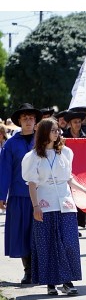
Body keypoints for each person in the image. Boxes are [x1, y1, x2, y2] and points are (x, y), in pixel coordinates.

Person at [21, 117, 86, 295]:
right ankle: (51, 283)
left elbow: (69, 178)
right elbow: (32, 184)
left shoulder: (66, 153)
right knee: (48, 244)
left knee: (69, 242)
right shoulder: (33, 157)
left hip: (65, 202)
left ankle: (68, 281)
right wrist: (36, 206)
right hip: (45, 203)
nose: (58, 133)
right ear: (45, 132)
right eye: (54, 130)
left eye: (58, 130)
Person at [0, 104, 43, 284]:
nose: (27, 121)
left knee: (39, 234)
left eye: (31, 117)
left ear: (35, 121)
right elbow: (5, 171)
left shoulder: (42, 140)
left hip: (41, 196)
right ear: (18, 121)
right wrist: (2, 195)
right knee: (22, 234)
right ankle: (28, 271)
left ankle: (42, 270)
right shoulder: (11, 144)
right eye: (24, 118)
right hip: (18, 195)